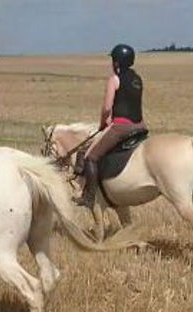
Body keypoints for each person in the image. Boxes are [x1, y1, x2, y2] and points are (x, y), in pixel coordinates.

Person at [79, 44, 147, 209]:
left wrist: (103, 123)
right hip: (140, 126)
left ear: (117, 62)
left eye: (113, 60)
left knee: (90, 157)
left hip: (121, 128)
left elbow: (107, 108)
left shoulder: (114, 80)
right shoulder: (137, 79)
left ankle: (89, 197)